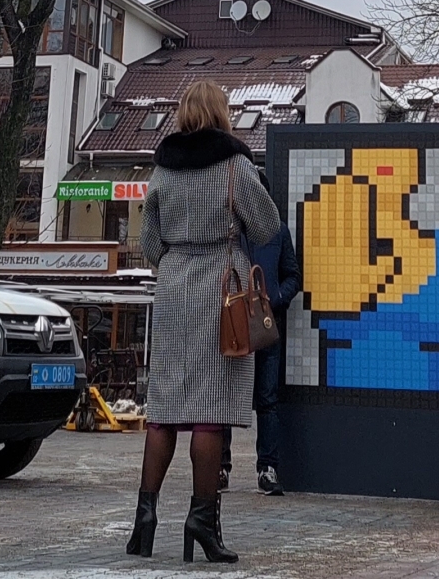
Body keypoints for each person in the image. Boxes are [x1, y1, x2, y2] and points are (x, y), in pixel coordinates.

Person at [129, 77, 280, 564]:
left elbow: (147, 240)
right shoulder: (236, 164)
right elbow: (266, 226)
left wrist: (174, 262)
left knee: (166, 406)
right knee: (210, 412)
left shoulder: (162, 167)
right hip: (222, 290)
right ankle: (202, 518)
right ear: (221, 112)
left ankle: (144, 519)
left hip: (173, 288)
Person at [244, 212, 300, 495]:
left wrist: (276, 299)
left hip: (267, 324)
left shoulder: (277, 230)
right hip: (235, 324)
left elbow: (293, 275)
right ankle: (220, 467)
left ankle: (267, 468)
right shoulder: (232, 229)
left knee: (267, 398)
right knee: (225, 397)